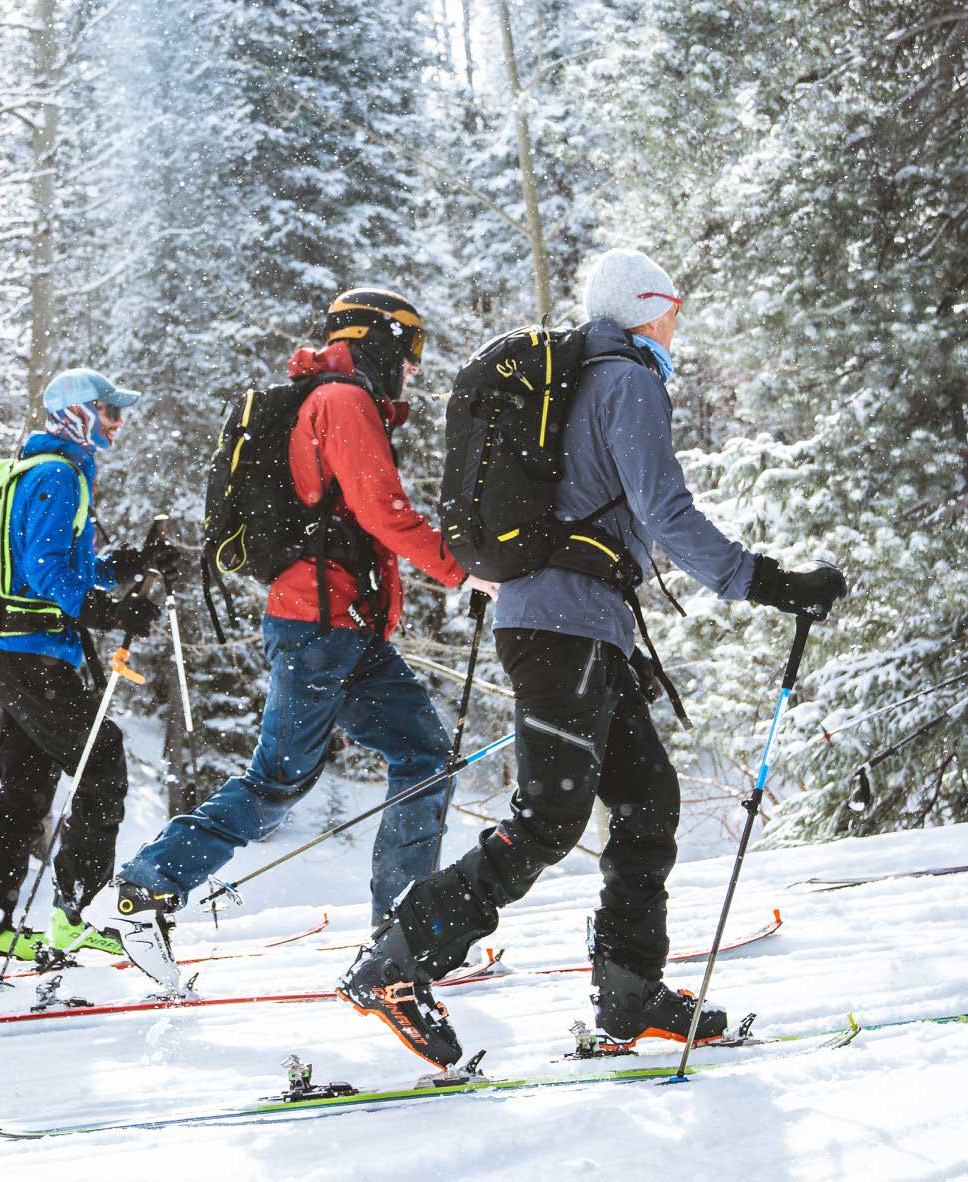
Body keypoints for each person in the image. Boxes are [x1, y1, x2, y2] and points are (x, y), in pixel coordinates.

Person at [338, 249, 846, 1069]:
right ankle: (397, 961)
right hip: (559, 626)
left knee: (647, 800)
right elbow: (664, 510)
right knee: (549, 818)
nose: (676, 327)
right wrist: (765, 581)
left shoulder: (589, 380)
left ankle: (628, 991)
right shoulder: (625, 378)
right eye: (671, 311)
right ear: (646, 309)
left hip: (578, 624)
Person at [115, 289, 500, 933]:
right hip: (317, 627)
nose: (413, 368)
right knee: (279, 782)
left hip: (344, 629)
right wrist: (464, 571)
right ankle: (150, 885)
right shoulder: (343, 402)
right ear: (377, 341)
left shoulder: (339, 399)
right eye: (410, 352)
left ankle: (402, 929)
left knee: (426, 756)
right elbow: (384, 513)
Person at [0, 368, 181, 965]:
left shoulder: (42, 470)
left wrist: (122, 566)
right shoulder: (59, 475)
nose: (117, 422)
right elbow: (50, 571)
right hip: (36, 659)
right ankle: (77, 915)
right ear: (78, 411)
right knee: (101, 758)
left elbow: (55, 565)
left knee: (24, 790)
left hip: (14, 655)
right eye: (109, 410)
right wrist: (111, 611)